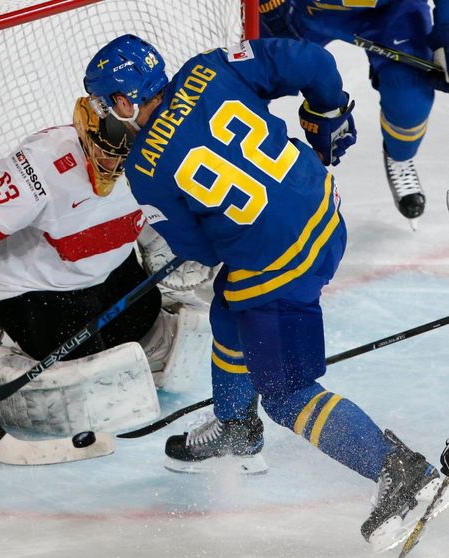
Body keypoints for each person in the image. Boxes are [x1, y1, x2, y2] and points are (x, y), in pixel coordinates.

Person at [82, 34, 447, 550]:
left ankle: (401, 473)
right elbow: (315, 61)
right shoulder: (208, 68)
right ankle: (235, 426)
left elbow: (204, 252)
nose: (105, 113)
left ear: (124, 100)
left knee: (285, 394)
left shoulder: (144, 170)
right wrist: (326, 114)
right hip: (324, 212)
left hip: (281, 269)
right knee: (232, 303)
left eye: (104, 102)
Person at [0, 95, 215, 437]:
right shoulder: (43, 167)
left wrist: (166, 243)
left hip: (107, 270)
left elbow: (156, 205)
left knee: (162, 338)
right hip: (32, 292)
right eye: (107, 154)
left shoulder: (163, 145)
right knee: (88, 395)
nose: (115, 165)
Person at [259, 0, 438, 226]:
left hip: (391, 11)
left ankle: (399, 157)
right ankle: (243, 173)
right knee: (246, 82)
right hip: (297, 10)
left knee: (410, 99)